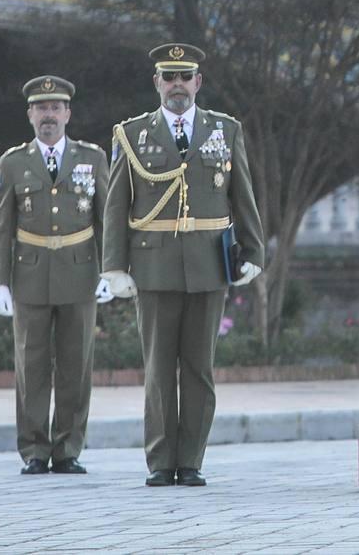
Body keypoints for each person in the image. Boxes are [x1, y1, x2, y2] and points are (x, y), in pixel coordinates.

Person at [101, 43, 264, 487]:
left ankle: (190, 460)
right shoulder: (131, 135)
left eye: (185, 77)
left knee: (198, 368)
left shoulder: (224, 130)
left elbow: (242, 197)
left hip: (210, 264)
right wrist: (114, 267)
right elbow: (117, 206)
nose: (177, 85)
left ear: (198, 82)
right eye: (168, 77)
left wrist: (253, 251)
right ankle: (160, 461)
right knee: (158, 369)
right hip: (153, 267)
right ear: (156, 82)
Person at [0, 75, 111, 476]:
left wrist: (112, 269)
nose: (49, 116)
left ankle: (68, 448)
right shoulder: (14, 162)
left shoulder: (91, 158)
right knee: (32, 365)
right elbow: (2, 225)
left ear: (68, 113)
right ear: (30, 114)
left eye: (56, 108)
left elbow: (105, 218)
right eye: (41, 108)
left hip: (79, 274)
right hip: (30, 274)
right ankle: (35, 450)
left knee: (76, 365)